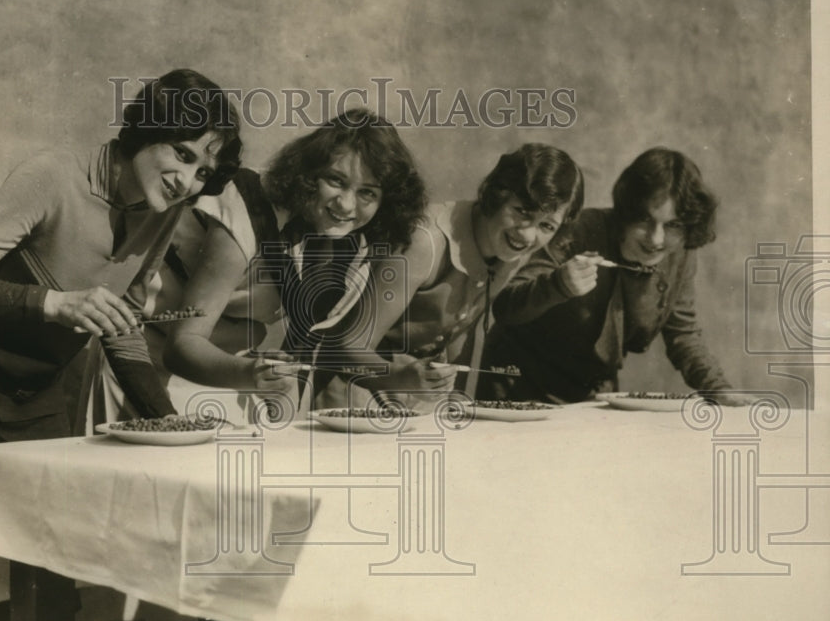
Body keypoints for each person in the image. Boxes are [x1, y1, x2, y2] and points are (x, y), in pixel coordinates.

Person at [0, 68, 242, 621]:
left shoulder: (162, 208)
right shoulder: (51, 174)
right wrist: (56, 304)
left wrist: (166, 420)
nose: (188, 181)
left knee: (50, 565)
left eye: (204, 171)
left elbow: (120, 325)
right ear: (146, 129)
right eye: (183, 154)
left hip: (34, 390)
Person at [161, 109, 427, 417]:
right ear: (309, 174)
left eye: (367, 192)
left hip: (229, 374)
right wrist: (252, 374)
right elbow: (181, 345)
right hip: (159, 366)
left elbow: (302, 352)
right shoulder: (248, 207)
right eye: (335, 180)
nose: (345, 204)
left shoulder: (346, 244)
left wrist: (397, 378)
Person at [321, 143, 585, 407]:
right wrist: (400, 376)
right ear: (498, 194)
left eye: (546, 225)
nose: (528, 234)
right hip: (349, 393)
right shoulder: (425, 242)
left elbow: (459, 338)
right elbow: (346, 348)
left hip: (412, 396)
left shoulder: (512, 247)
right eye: (522, 212)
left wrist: (458, 407)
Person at [480, 146, 745, 405]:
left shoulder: (680, 254)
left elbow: (683, 334)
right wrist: (557, 285)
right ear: (626, 213)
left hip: (593, 396)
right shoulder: (580, 231)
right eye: (644, 219)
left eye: (673, 225)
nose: (656, 239)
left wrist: (718, 388)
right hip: (518, 391)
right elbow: (506, 307)